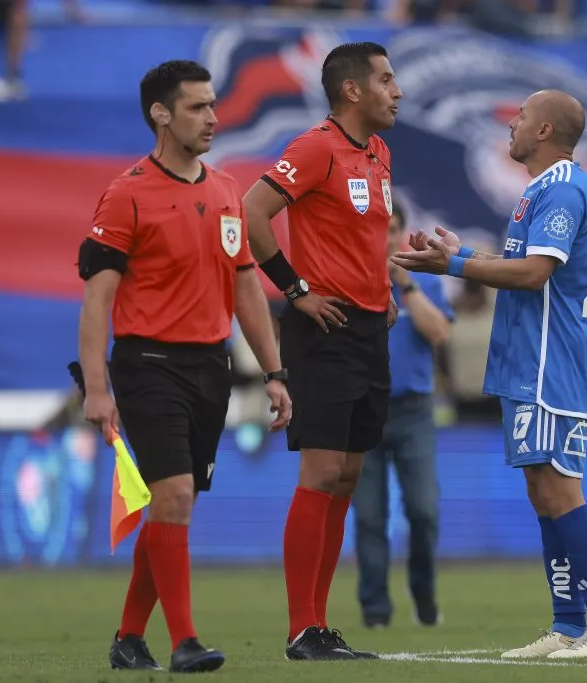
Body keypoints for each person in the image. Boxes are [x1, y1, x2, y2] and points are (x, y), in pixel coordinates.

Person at [392, 89, 587, 659]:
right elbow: (523, 264)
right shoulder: (542, 190)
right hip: (528, 358)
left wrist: (453, 264)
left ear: (545, 131)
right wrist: (465, 250)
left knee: (561, 490)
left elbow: (532, 275)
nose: (512, 125)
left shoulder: (566, 187)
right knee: (541, 492)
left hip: (553, 358)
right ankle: (569, 626)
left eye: (521, 117)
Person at [77, 60, 291, 673]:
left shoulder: (227, 191)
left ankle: (127, 639)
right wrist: (97, 387)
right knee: (171, 496)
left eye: (214, 105)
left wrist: (275, 372)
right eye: (198, 107)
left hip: (211, 368)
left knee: (177, 504)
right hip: (147, 363)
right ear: (160, 115)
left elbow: (247, 288)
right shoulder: (126, 194)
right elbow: (98, 299)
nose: (214, 118)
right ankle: (186, 642)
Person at [242, 41, 402, 661]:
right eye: (387, 80)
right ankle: (301, 628)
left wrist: (383, 286)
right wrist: (295, 289)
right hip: (324, 327)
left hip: (368, 328)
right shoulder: (315, 147)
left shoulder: (380, 152)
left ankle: (319, 625)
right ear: (352, 91)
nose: (398, 90)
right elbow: (254, 213)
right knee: (320, 472)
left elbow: (362, 235)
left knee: (348, 475)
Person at [353, 201, 453, 629]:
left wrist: (406, 285)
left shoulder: (423, 284)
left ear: (401, 231)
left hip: (413, 412)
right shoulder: (354, 280)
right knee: (370, 517)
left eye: (393, 229)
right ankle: (376, 610)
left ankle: (424, 597)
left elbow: (440, 333)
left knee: (424, 510)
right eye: (380, 229)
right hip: (364, 410)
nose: (388, 238)